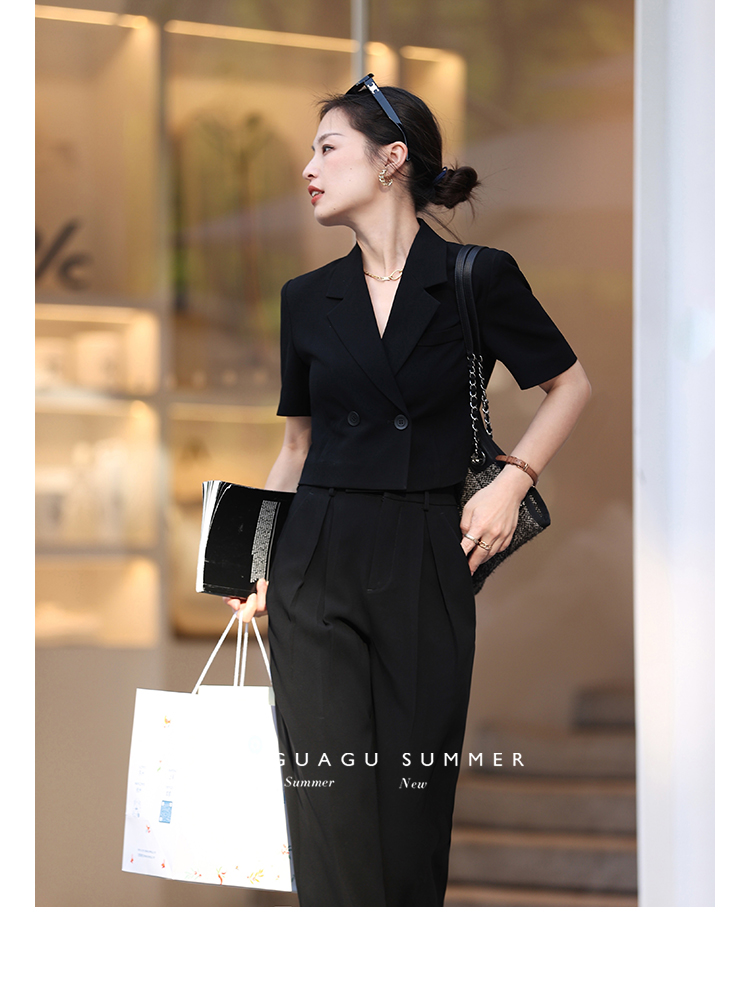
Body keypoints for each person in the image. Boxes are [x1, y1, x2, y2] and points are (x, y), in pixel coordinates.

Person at [226, 76, 591, 906]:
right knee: (329, 818)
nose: (308, 168)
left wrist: (513, 481)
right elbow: (297, 447)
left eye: (327, 148)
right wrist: (256, 562)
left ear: (391, 160)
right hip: (316, 564)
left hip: (429, 558)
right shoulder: (306, 300)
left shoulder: (475, 277)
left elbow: (570, 385)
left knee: (410, 823)